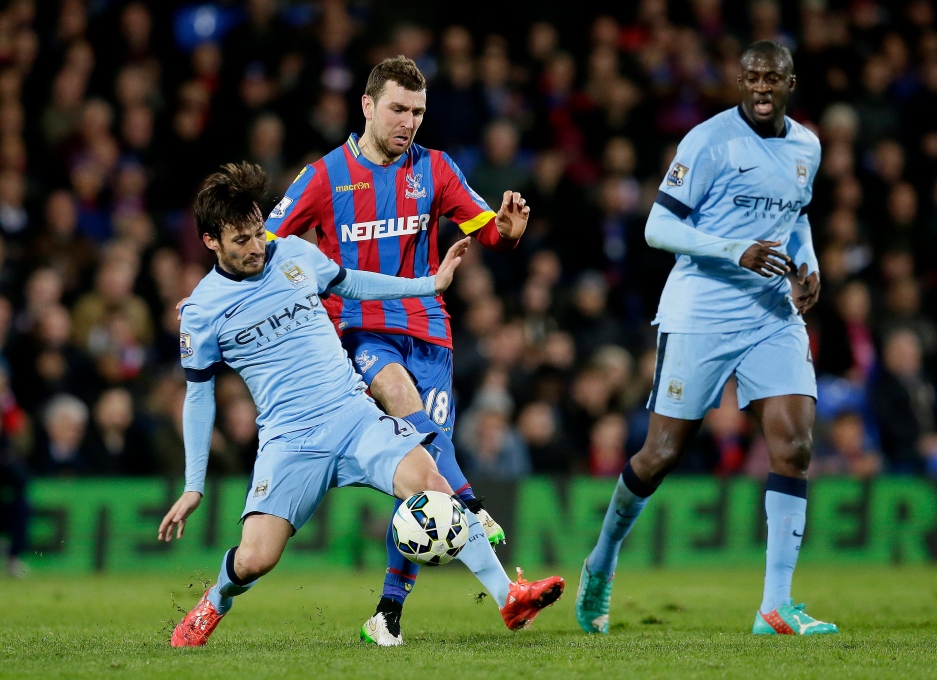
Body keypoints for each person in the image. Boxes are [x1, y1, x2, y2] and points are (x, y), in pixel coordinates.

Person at [160, 163, 562, 648]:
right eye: (241, 240)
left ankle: (509, 598)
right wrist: (193, 484)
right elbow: (199, 395)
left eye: (257, 233)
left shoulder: (294, 254)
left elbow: (353, 282)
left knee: (434, 484)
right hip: (290, 442)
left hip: (353, 417)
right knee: (255, 559)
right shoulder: (202, 311)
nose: (255, 247)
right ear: (210, 242)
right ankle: (216, 601)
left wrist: (428, 286)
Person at [263, 56, 530, 646]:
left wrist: (508, 230)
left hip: (429, 335)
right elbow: (264, 250)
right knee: (404, 409)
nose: (409, 121)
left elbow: (487, 228)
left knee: (421, 477)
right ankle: (472, 504)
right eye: (398, 109)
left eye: (418, 112)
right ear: (366, 105)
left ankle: (388, 614)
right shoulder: (323, 177)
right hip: (358, 332)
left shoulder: (434, 169)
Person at [575, 41, 838, 636]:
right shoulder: (707, 141)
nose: (762, 87)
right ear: (740, 82)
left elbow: (796, 216)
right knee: (661, 453)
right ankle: (603, 560)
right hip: (702, 310)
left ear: (790, 82)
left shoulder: (808, 147)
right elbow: (657, 226)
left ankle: (775, 607)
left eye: (773, 78)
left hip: (772, 311)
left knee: (795, 444)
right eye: (752, 78)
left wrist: (808, 263)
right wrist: (733, 250)